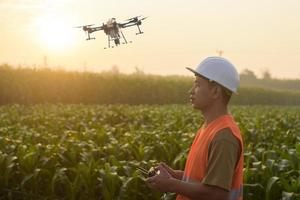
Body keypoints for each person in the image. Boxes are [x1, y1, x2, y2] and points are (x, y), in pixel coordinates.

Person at [146, 57, 244, 200]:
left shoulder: (224, 136)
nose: (191, 91)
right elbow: (202, 180)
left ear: (216, 92)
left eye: (197, 85)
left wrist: (171, 184)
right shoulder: (209, 128)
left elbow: (217, 194)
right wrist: (174, 175)